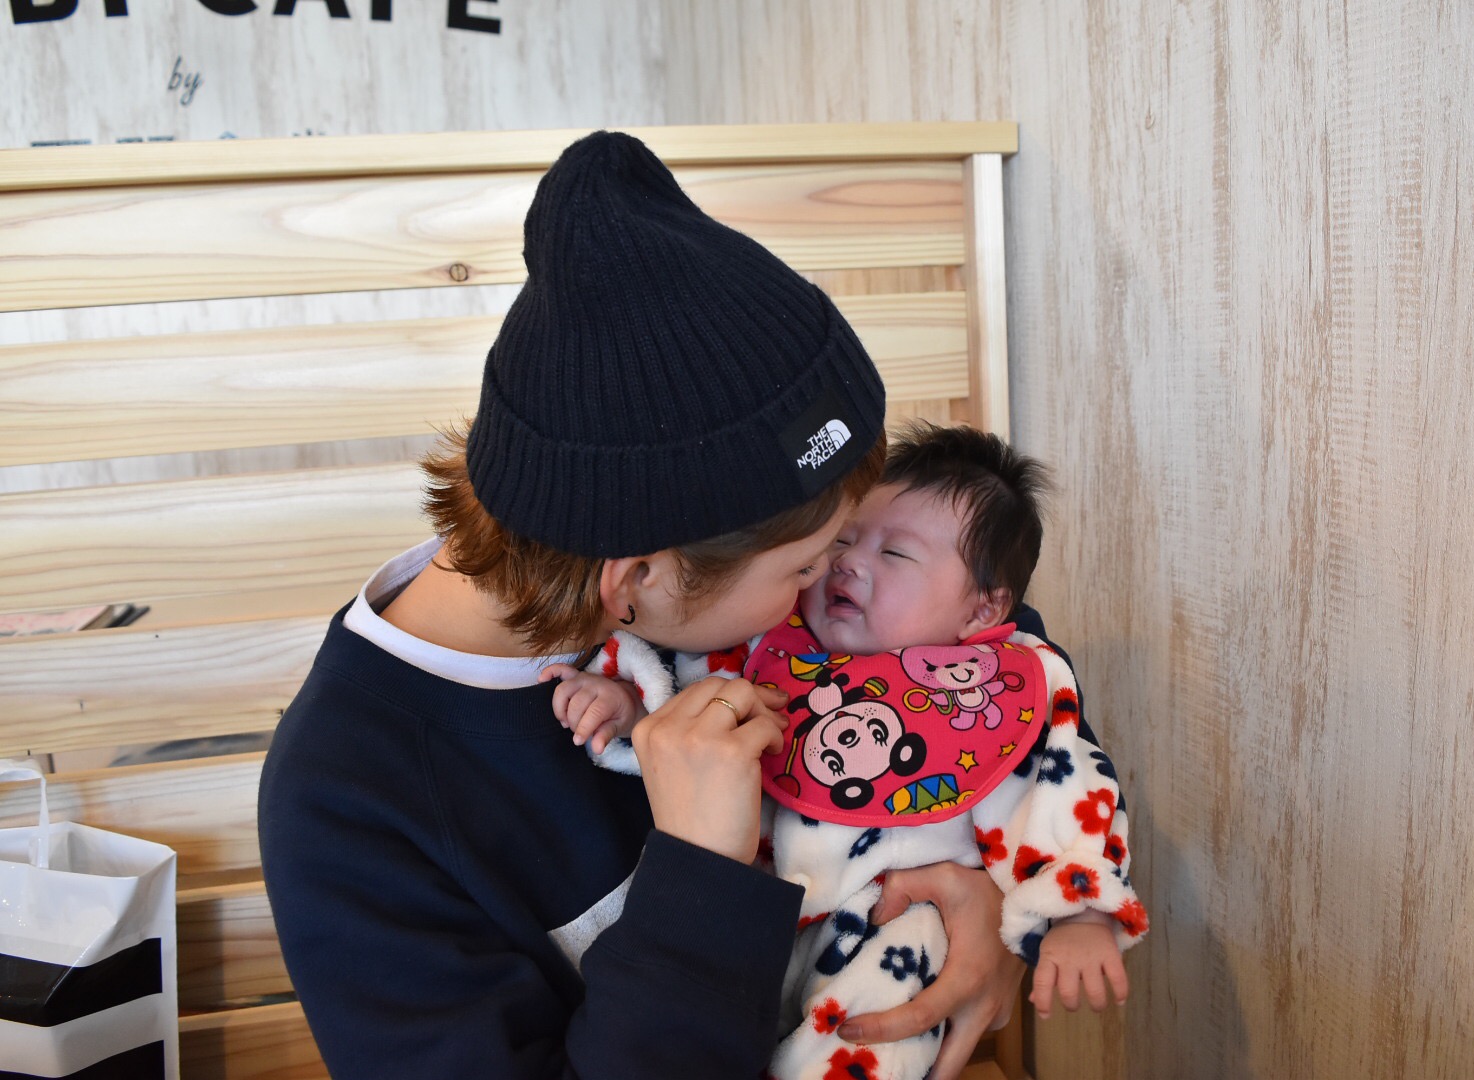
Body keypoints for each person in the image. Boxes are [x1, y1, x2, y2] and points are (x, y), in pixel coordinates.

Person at [258, 132, 1024, 1080]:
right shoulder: (349, 807)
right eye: (804, 569)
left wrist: (989, 894)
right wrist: (698, 877)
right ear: (636, 582)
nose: (833, 587)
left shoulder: (682, 597)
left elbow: (971, 643)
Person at [549, 421, 1149, 1080]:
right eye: (841, 538)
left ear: (983, 611)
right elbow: (694, 709)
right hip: (756, 920)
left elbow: (1067, 787)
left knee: (877, 1024)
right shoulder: (771, 641)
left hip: (894, 919)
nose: (848, 562)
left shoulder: (997, 689)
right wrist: (629, 704)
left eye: (895, 554)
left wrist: (1081, 914)